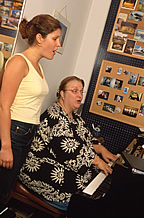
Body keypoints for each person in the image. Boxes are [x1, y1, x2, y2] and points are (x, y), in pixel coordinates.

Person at [19, 76, 118, 211]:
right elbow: (68, 148)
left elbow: (86, 138)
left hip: (65, 167)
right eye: (74, 91)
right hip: (42, 171)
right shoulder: (54, 115)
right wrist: (97, 161)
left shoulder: (76, 117)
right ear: (62, 93)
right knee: (86, 198)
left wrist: (100, 148)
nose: (79, 95)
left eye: (81, 91)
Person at [0, 14, 61, 213]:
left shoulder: (38, 66)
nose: (58, 44)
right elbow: (3, 106)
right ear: (39, 38)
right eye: (55, 38)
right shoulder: (19, 62)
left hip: (26, 133)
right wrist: (5, 146)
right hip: (14, 132)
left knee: (5, 189)